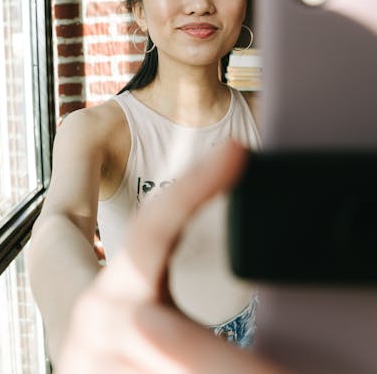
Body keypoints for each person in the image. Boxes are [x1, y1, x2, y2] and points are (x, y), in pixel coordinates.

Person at [26, 0, 262, 365]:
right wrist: (77, 321)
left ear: (244, 4)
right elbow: (61, 225)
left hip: (265, 339)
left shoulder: (273, 116)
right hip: (152, 351)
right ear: (139, 12)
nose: (199, 3)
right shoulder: (97, 128)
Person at [56, 142, 286, 373]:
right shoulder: (98, 128)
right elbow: (60, 223)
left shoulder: (270, 120)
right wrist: (85, 323)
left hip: (254, 328)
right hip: (149, 347)